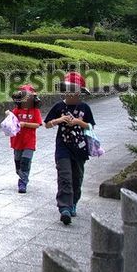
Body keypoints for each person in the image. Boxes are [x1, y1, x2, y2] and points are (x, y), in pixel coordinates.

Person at [43, 72, 96, 225]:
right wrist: (60, 120)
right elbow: (46, 124)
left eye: (74, 90)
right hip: (63, 148)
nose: (71, 93)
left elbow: (90, 126)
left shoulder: (84, 108)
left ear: (80, 92)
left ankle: (73, 203)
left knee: (77, 178)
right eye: (68, 89)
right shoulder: (59, 106)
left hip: (80, 149)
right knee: (65, 176)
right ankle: (64, 207)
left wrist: (79, 122)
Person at [10, 84, 42, 194]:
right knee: (18, 163)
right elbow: (11, 122)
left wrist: (25, 124)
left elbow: (37, 124)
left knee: (25, 161)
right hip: (17, 141)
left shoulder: (35, 111)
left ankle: (23, 182)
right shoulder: (16, 110)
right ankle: (22, 174)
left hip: (29, 141)